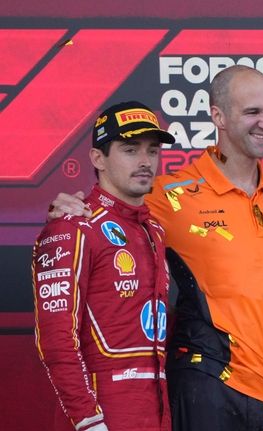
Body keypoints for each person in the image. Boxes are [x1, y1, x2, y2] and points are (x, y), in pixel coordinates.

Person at [48, 66, 263, 430]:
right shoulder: (166, 195)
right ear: (217, 116)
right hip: (214, 387)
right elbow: (111, 203)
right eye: (252, 112)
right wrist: (67, 207)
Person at [33, 101, 174, 431]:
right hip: (104, 415)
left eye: (152, 151)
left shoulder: (154, 229)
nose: (145, 162)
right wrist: (87, 420)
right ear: (98, 158)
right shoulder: (72, 226)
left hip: (157, 414)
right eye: (129, 149)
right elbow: (56, 341)